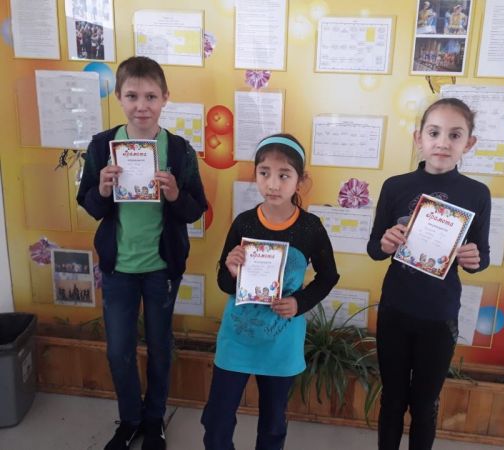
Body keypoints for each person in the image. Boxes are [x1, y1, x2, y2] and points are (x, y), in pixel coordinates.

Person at [77, 56, 208, 450]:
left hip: (161, 268)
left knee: (160, 347)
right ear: (119, 96)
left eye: (151, 96)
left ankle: (155, 420)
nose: (141, 105)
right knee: (119, 350)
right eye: (132, 96)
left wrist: (175, 194)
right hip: (118, 267)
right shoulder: (102, 145)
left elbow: (195, 209)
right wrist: (102, 189)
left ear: (165, 98)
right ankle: (130, 419)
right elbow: (89, 203)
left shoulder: (179, 150)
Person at [201, 134, 340, 450]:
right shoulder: (244, 223)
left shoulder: (310, 228)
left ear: (300, 181)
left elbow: (328, 276)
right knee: (217, 420)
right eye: (264, 173)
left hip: (281, 343)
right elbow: (224, 281)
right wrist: (232, 270)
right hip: (237, 338)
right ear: (256, 174)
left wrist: (299, 302)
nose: (273, 184)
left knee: (273, 423)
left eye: (284, 175)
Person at [367, 98, 491, 450]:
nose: (443, 143)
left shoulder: (477, 194)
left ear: (469, 143)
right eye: (434, 133)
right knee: (392, 399)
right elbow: (375, 249)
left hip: (439, 316)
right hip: (395, 310)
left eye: (455, 135)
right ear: (418, 138)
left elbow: (481, 258)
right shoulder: (395, 186)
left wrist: (472, 258)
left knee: (424, 404)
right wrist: (386, 242)